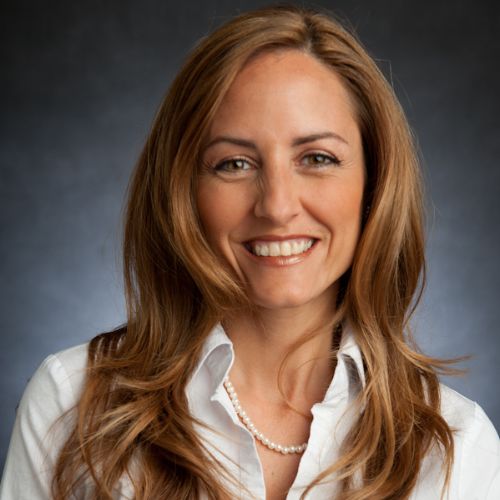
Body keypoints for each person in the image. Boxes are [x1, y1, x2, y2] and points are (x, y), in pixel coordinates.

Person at [1, 5, 499, 500]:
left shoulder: (458, 445)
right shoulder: (72, 403)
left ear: (375, 183)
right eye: (234, 163)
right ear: (183, 190)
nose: (278, 207)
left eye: (318, 158)